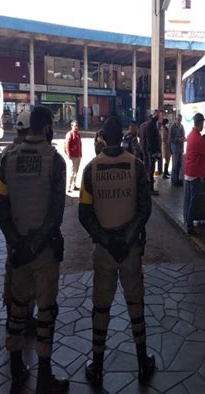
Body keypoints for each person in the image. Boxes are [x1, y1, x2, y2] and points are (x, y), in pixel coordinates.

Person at [0, 105, 69, 393]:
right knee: (46, 312)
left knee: (17, 312)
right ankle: (44, 378)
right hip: (45, 254)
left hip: (18, 255)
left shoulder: (8, 158)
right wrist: (36, 245)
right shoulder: (55, 162)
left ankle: (16, 372)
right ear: (48, 127)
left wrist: (17, 243)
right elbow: (56, 213)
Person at [78, 116, 155, 389]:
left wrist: (108, 240)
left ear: (101, 137)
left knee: (101, 306)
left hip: (104, 251)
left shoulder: (91, 169)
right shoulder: (137, 165)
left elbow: (84, 213)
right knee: (136, 305)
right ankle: (142, 362)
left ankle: (97, 367)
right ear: (121, 135)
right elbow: (145, 208)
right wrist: (126, 238)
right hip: (130, 249)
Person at [0, 110, 36, 333]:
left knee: (12, 268)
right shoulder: (33, 153)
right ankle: (25, 317)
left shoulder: (7, 153)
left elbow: (0, 201)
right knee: (28, 274)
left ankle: (12, 315)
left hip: (13, 226)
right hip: (29, 224)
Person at [184, 113, 205, 236]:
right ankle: (190, 226)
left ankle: (188, 221)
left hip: (190, 170)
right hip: (195, 172)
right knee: (193, 199)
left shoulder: (192, 135)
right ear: (201, 123)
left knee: (191, 198)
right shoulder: (197, 138)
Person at [139, 110, 161, 195]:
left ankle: (148, 187)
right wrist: (154, 152)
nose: (158, 118)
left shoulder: (145, 125)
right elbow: (150, 140)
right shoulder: (151, 125)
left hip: (145, 150)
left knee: (148, 169)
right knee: (150, 170)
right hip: (150, 151)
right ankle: (150, 189)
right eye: (157, 116)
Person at [65, 120, 82, 193]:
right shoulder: (70, 134)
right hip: (72, 156)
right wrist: (69, 155)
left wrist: (81, 154)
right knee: (72, 172)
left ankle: (74, 186)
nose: (76, 127)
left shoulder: (78, 134)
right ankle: (69, 187)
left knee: (76, 172)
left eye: (77, 126)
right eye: (75, 126)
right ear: (71, 126)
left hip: (78, 156)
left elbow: (80, 145)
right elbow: (67, 145)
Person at [169, 114, 186, 186]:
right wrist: (178, 139)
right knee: (174, 166)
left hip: (180, 149)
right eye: (178, 119)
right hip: (175, 149)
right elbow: (170, 139)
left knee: (179, 165)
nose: (179, 121)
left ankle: (177, 179)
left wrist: (183, 138)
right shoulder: (172, 127)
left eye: (180, 119)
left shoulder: (182, 126)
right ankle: (173, 181)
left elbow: (183, 135)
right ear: (176, 119)